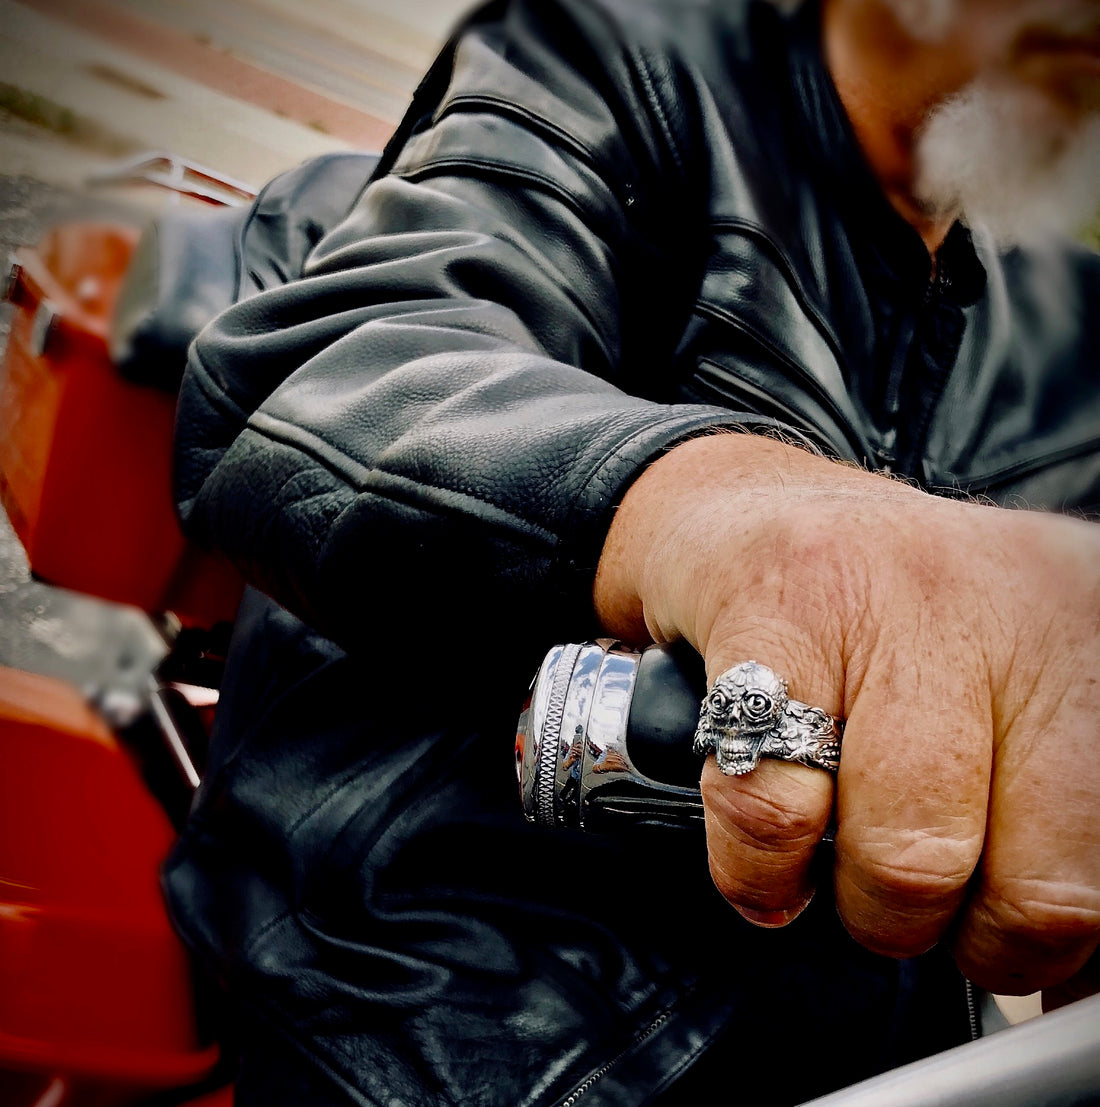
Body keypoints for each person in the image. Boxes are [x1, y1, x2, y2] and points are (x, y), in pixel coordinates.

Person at [164, 0, 1100, 1102]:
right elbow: (340, 366)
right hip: (451, 1015)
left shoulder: (1057, 328)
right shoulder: (618, 54)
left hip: (893, 1056)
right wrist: (745, 521)